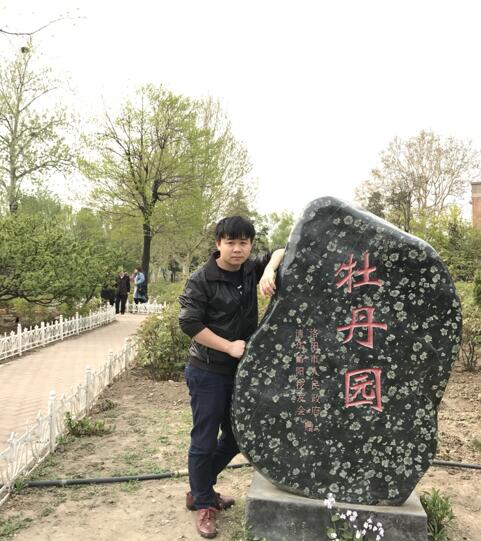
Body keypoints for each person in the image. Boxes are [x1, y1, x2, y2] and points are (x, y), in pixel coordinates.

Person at [179, 216, 285, 539]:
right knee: (204, 438)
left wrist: (269, 270)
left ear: (250, 245)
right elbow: (190, 324)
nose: (237, 249)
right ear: (218, 244)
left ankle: (199, 489)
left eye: (243, 243)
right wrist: (228, 346)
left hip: (239, 372)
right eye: (231, 242)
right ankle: (204, 504)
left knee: (238, 436)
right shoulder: (202, 279)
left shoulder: (250, 269)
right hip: (207, 370)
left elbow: (283, 249)